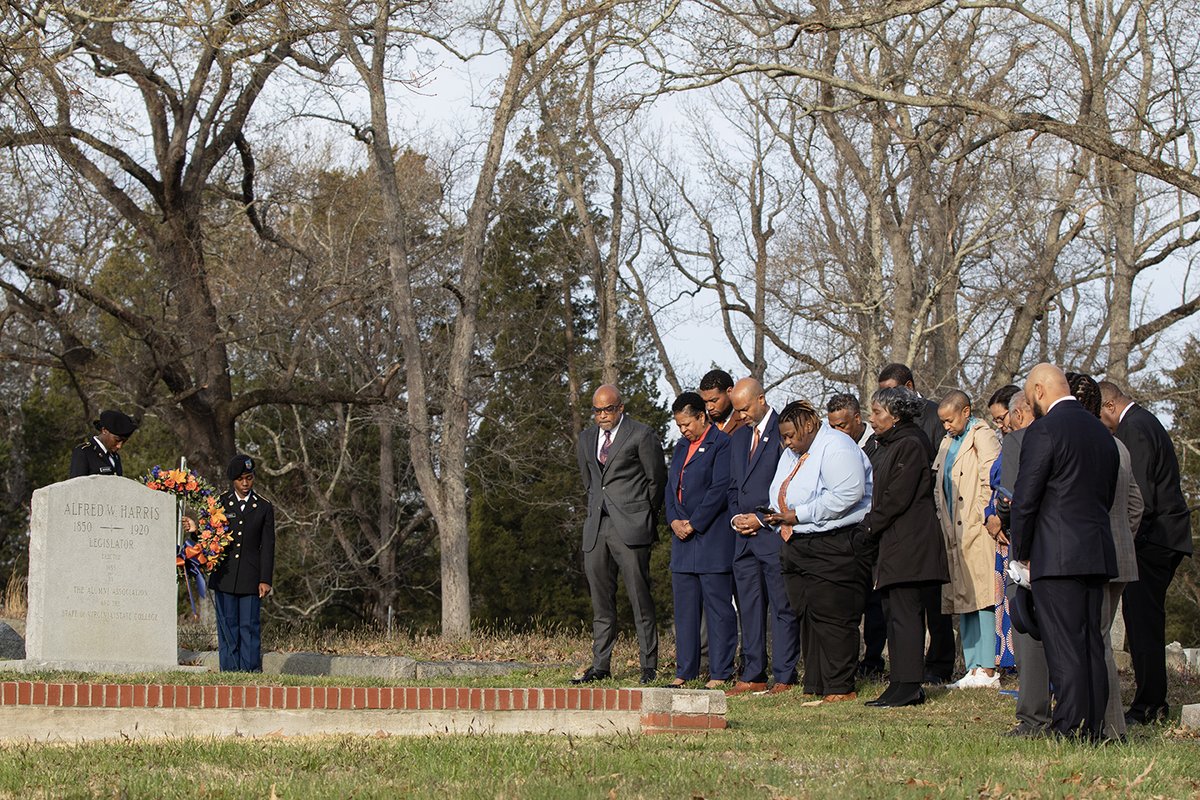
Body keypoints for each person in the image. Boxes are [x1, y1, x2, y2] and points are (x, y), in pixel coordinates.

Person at [1011, 364, 1118, 741]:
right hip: (1095, 551)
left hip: (1056, 555)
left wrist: (1020, 553)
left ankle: (1070, 727)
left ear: (1040, 391)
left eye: (1028, 398)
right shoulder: (1101, 432)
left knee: (1064, 646)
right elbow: (1104, 495)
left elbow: (1026, 498)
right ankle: (1093, 726)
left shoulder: (1044, 430)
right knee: (1091, 644)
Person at [1098, 380, 1194, 726]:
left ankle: (1150, 705)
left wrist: (1126, 540)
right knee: (1143, 623)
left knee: (1143, 624)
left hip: (1154, 540)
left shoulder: (1134, 429)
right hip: (1162, 536)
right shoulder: (1144, 421)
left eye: (1100, 416)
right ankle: (1150, 700)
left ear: (1109, 406)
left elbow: (1139, 497)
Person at [763, 399, 872, 703]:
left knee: (833, 614)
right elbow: (779, 491)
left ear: (808, 426)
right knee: (807, 614)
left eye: (790, 435)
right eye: (783, 436)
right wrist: (772, 516)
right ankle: (817, 683)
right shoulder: (791, 453)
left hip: (834, 542)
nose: (787, 442)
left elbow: (849, 494)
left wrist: (800, 514)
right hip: (796, 542)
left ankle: (841, 686)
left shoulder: (838, 446)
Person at [858, 386, 948, 708]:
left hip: (910, 543)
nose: (872, 419)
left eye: (878, 413)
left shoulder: (909, 444)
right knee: (893, 613)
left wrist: (870, 524)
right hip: (893, 543)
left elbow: (898, 495)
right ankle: (899, 682)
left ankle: (910, 685)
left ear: (896, 415)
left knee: (907, 614)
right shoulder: (889, 444)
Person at [574, 384, 667, 685]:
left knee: (640, 599)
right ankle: (601, 665)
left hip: (631, 526)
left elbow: (656, 481)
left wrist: (642, 516)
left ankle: (648, 666)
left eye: (608, 409)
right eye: (597, 410)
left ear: (620, 407)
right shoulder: (586, 439)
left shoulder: (641, 434)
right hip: (596, 528)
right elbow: (590, 482)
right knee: (601, 601)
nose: (602, 415)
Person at [1068, 373, 1143, 741]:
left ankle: (1107, 727)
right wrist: (1121, 538)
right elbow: (1136, 505)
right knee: (1098, 641)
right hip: (1120, 556)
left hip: (1092, 555)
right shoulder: (1119, 446)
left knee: (1095, 643)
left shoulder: (1086, 444)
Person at [876, 363, 954, 685]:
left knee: (936, 606)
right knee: (905, 609)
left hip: (927, 515)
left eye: (893, 390)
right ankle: (909, 668)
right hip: (899, 526)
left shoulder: (933, 417)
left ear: (908, 386)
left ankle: (938, 664)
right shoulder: (885, 434)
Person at [726, 378, 798, 695]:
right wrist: (736, 518)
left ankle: (784, 674)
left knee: (781, 607)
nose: (740, 416)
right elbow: (732, 486)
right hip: (743, 540)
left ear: (761, 399)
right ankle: (753, 672)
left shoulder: (784, 431)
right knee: (750, 608)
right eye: (736, 411)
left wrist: (760, 517)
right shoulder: (739, 438)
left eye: (744, 409)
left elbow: (789, 484)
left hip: (771, 534)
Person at [665, 393, 735, 688]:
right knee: (685, 611)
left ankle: (720, 672)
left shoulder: (722, 444)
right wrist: (674, 520)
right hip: (682, 541)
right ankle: (685, 671)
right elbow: (670, 488)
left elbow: (719, 489)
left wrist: (695, 523)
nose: (684, 430)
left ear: (702, 416)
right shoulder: (681, 446)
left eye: (687, 424)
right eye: (679, 425)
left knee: (718, 610)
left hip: (711, 539)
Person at [933, 390, 1001, 688]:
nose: (946, 426)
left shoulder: (982, 435)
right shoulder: (948, 441)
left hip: (977, 529)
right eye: (943, 421)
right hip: (953, 530)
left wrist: (981, 514)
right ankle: (971, 667)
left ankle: (988, 667)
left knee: (983, 596)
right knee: (964, 597)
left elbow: (991, 478)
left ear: (966, 411)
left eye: (950, 420)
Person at [827, 392, 884, 679]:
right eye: (832, 426)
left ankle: (874, 660)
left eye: (843, 425)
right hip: (842, 537)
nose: (838, 432)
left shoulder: (877, 444)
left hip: (872, 534)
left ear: (858, 419)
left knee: (875, 605)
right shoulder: (831, 449)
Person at [209, 454, 275, 672]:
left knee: (249, 626)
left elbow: (267, 546)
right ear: (233, 481)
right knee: (228, 626)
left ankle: (250, 670)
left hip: (250, 575)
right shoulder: (220, 503)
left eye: (249, 478)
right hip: (225, 575)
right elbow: (209, 537)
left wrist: (265, 579)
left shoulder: (264, 507)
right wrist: (193, 531)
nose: (245, 484)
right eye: (240, 479)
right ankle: (229, 670)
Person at [983, 385, 1022, 674]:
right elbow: (994, 486)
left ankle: (1023, 660)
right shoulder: (1005, 445)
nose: (1000, 425)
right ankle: (1006, 659)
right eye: (995, 421)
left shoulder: (1022, 442)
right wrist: (990, 517)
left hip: (1015, 528)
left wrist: (1002, 517)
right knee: (1006, 598)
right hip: (1000, 531)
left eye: (1002, 418)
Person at [69, 409, 138, 477]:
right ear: (104, 430)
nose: (119, 446)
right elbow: (77, 485)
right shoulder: (84, 452)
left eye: (124, 442)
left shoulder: (115, 457)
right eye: (117, 440)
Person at [698, 369, 745, 436]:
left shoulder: (746, 421)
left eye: (714, 401)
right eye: (705, 402)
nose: (709, 407)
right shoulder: (702, 425)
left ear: (729, 392)